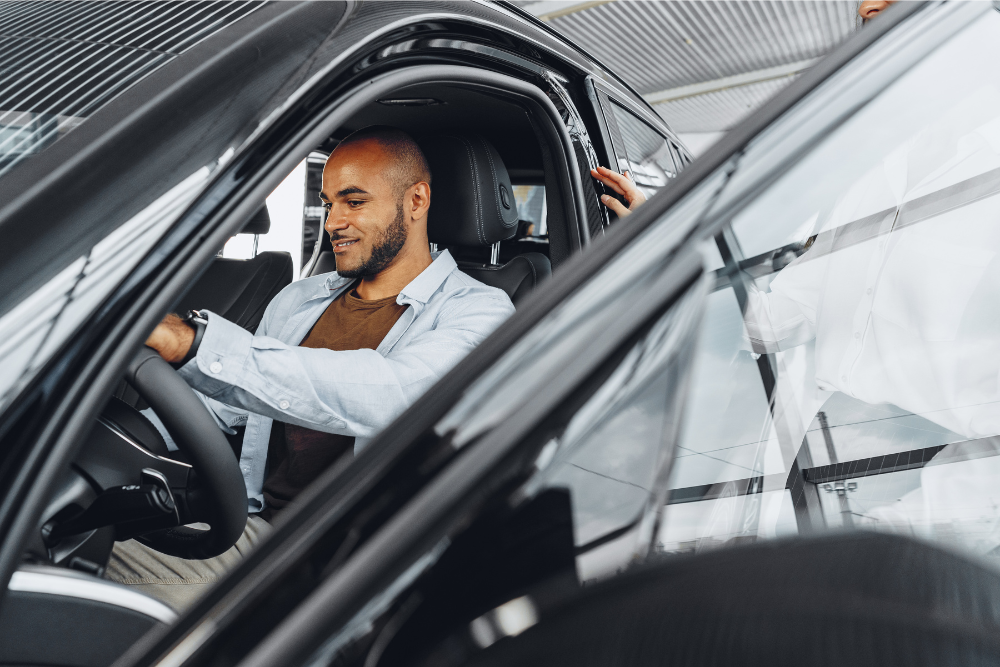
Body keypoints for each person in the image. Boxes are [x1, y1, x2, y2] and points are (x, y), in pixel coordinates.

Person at [106, 126, 515, 608]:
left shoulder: (481, 312)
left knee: (62, 569)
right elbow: (224, 405)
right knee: (61, 531)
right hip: (256, 531)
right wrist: (115, 440)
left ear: (416, 201)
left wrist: (192, 342)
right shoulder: (299, 300)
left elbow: (392, 395)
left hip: (349, 566)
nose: (332, 222)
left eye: (354, 202)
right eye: (328, 203)